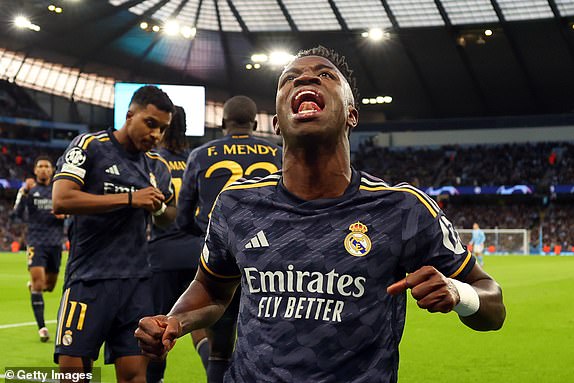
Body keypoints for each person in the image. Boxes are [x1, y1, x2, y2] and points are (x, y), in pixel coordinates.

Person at [136, 47, 506, 383]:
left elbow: (494, 303)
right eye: (290, 79)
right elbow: (211, 289)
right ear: (277, 123)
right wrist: (175, 320)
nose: (306, 77)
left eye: (325, 75)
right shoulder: (236, 205)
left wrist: (459, 293)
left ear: (351, 114)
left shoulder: (403, 208)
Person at [52, 85, 176, 382]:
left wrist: (158, 209)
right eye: (150, 124)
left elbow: (168, 219)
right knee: (72, 374)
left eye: (162, 129)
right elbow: (62, 199)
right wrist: (132, 199)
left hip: (136, 284)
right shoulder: (90, 146)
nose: (156, 135)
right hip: (88, 279)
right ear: (129, 114)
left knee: (135, 376)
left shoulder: (158, 167)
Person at [173, 95, 282, 382]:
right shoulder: (278, 153)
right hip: (272, 264)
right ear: (255, 123)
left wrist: (207, 235)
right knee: (272, 345)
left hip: (223, 264)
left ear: (223, 123)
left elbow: (183, 216)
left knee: (219, 351)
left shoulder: (200, 155)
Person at [146, 106, 209, 383]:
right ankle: (215, 373)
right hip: (198, 252)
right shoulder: (197, 159)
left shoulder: (151, 159)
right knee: (202, 327)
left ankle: (156, 379)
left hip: (161, 253)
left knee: (157, 328)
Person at [12, 155, 65, 342]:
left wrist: (64, 216)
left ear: (52, 170)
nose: (43, 169)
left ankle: (36, 286)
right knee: (38, 283)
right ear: (35, 171)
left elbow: (70, 212)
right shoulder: (29, 191)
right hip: (35, 241)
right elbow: (15, 215)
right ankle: (42, 328)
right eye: (40, 166)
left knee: (49, 286)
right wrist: (23, 192)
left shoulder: (57, 190)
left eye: (47, 166)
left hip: (55, 244)